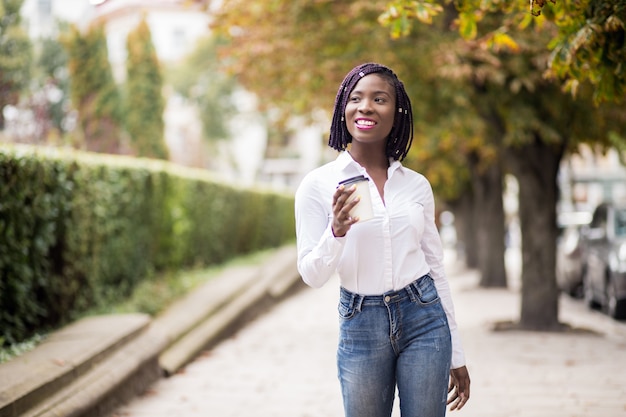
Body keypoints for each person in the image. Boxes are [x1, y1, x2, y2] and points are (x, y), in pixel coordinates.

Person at [294, 62, 470, 417]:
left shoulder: (416, 185)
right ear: (343, 107)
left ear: (397, 111)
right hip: (361, 322)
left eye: (380, 98)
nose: (366, 107)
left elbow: (435, 268)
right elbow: (312, 275)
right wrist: (336, 232)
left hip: (424, 316)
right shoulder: (319, 185)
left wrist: (457, 354)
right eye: (356, 98)